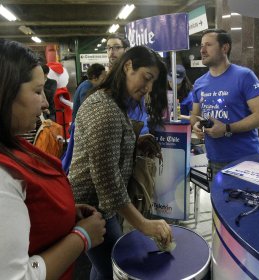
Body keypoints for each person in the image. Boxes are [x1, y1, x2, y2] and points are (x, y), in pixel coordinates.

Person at [0, 38, 106, 280]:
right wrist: (81, 237)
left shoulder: (8, 143)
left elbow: (27, 211)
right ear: (4, 94)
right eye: (37, 91)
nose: (44, 103)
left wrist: (63, 212)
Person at [69, 46, 173, 280]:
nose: (147, 88)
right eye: (146, 78)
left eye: (152, 83)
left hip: (102, 205)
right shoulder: (105, 109)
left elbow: (107, 150)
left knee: (103, 266)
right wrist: (144, 224)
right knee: (117, 270)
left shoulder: (112, 101)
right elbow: (108, 181)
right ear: (128, 66)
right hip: (93, 207)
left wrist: (136, 142)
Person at [190, 29, 259, 177]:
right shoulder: (199, 83)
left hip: (246, 160)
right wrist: (196, 126)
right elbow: (195, 116)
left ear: (224, 48)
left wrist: (227, 128)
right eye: (201, 46)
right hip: (215, 161)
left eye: (208, 45)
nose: (202, 50)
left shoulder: (244, 76)